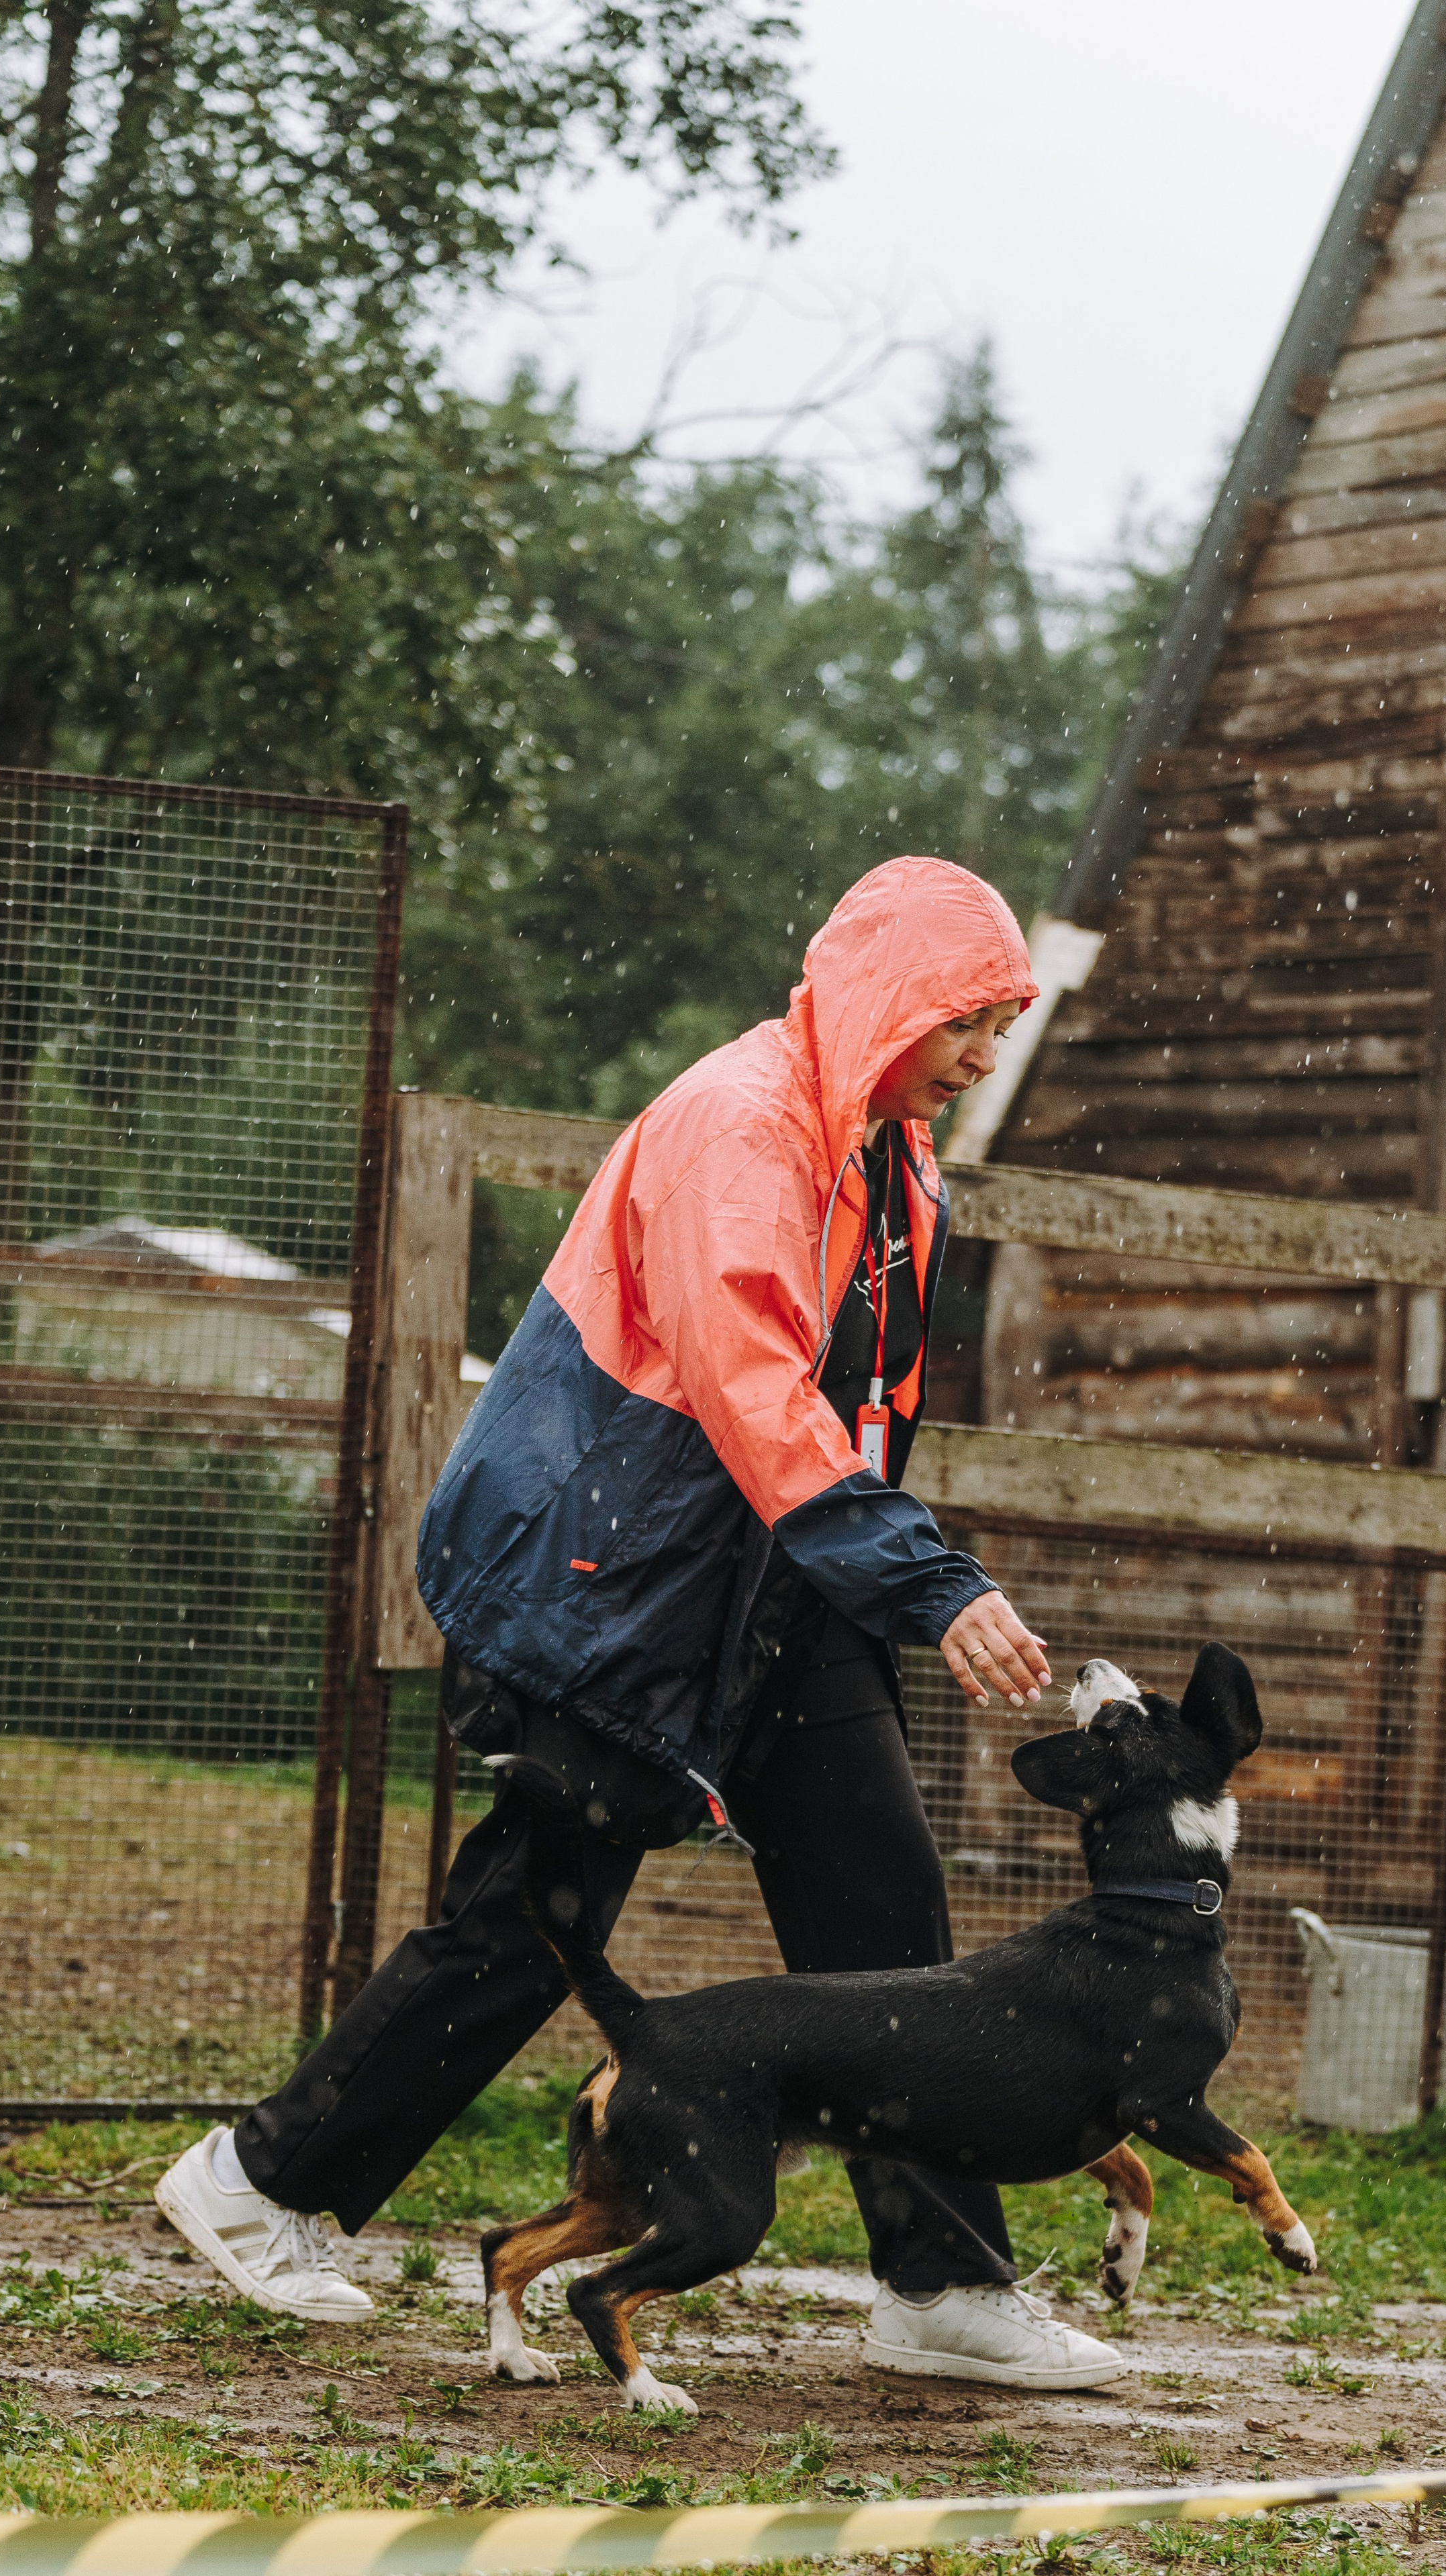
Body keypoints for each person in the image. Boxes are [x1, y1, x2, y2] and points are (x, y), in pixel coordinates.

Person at [155, 856, 1126, 2391]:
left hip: (772, 1580)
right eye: (967, 1020)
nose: (981, 1055)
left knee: (882, 1903)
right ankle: (261, 2183)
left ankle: (941, 2277)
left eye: (999, 1024)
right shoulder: (736, 1129)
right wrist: (932, 1582)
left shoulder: (894, 1158)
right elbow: (752, 1395)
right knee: (532, 1920)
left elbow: (855, 1412)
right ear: (889, 998)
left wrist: (871, 1574)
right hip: (615, 1576)